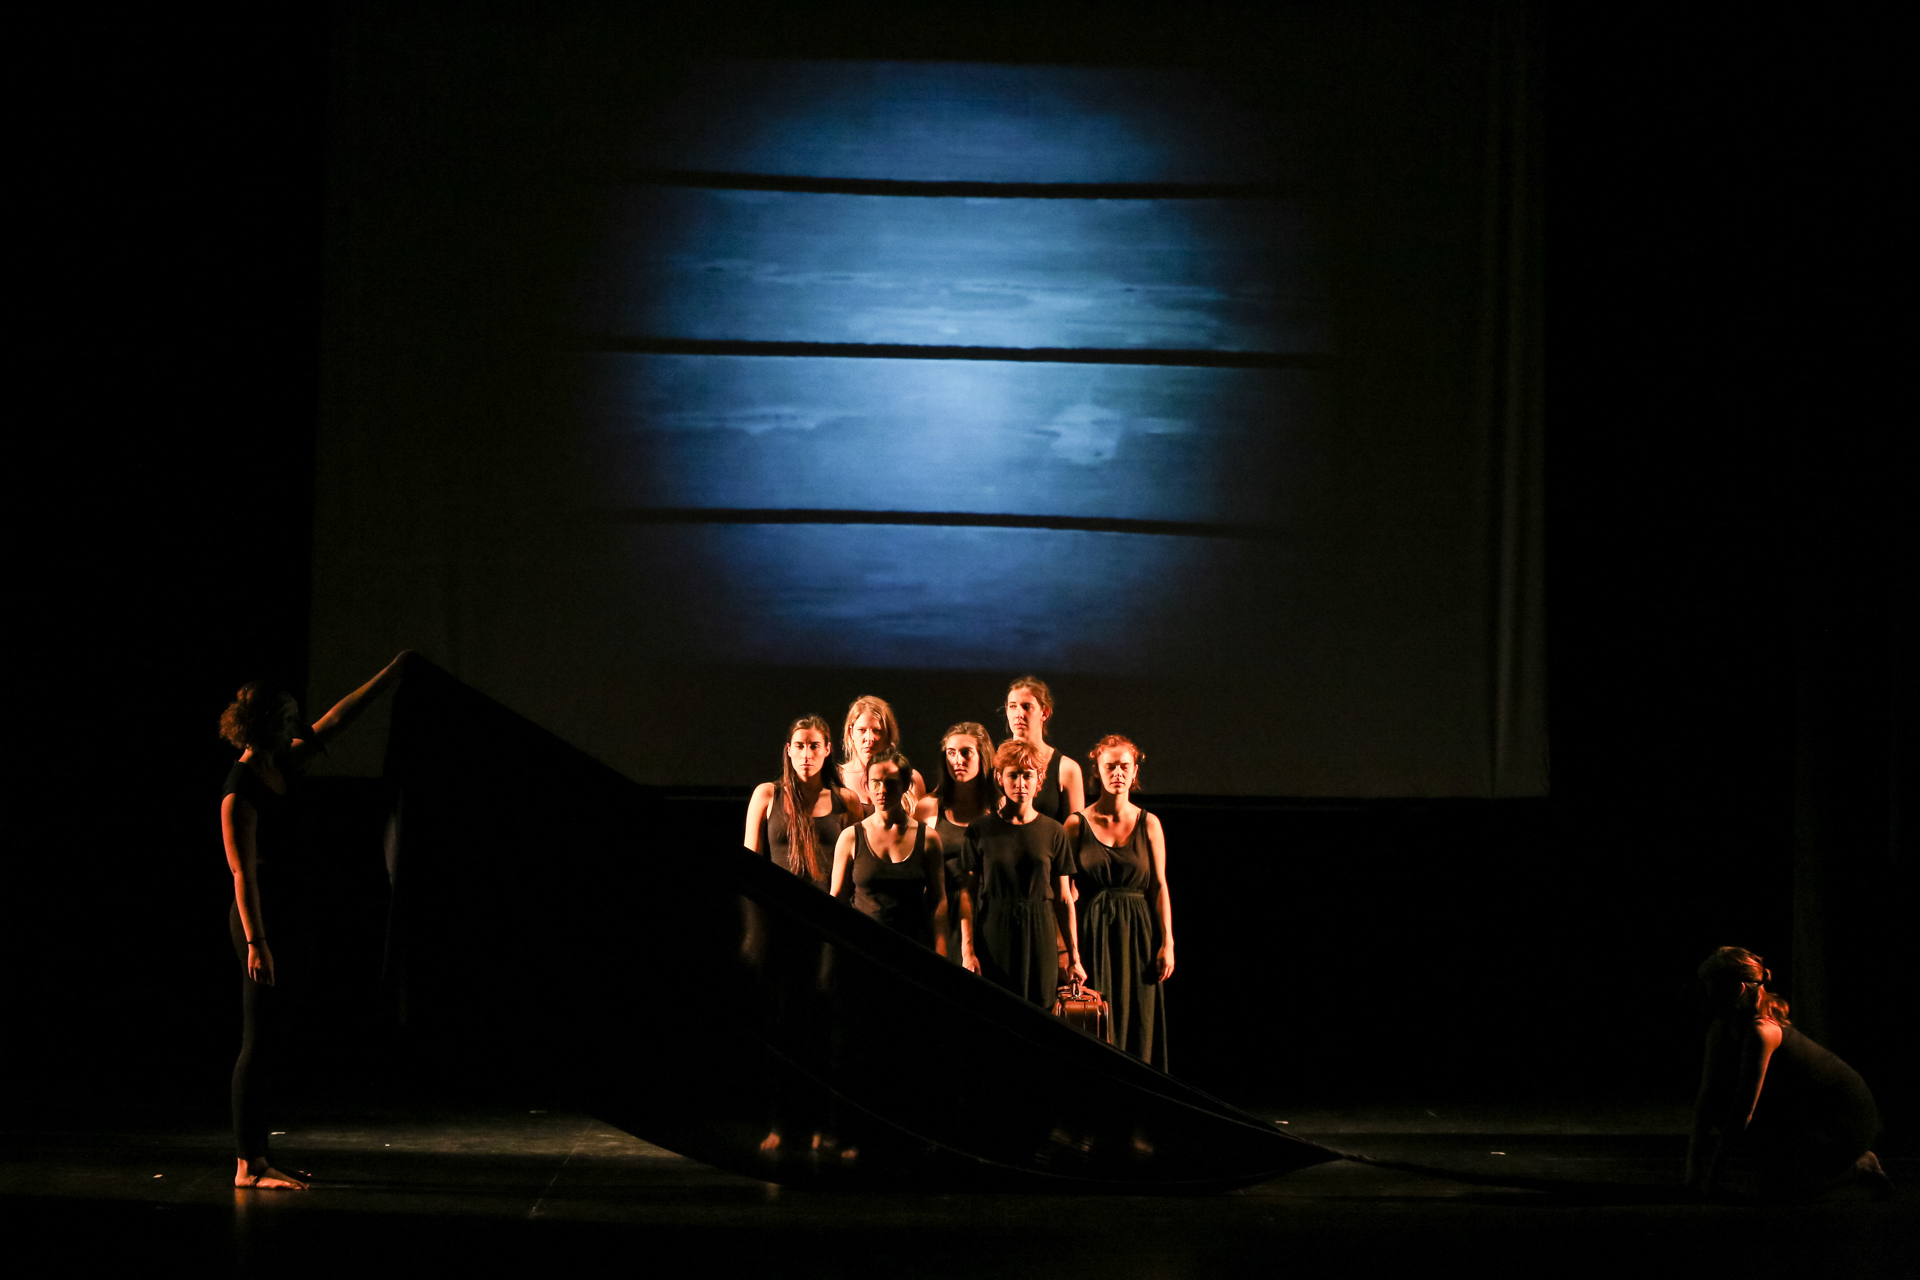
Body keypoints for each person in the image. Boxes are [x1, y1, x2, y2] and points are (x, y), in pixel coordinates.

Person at [219, 652, 409, 1190]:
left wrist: (390, 674)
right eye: (285, 720)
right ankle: (247, 1166)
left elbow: (336, 720)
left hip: (292, 914)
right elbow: (242, 874)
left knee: (274, 1040)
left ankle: (260, 1155)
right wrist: (257, 942)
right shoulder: (239, 791)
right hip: (259, 921)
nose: (296, 727)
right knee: (257, 1042)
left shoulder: (284, 764)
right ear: (260, 726)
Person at [1685, 947, 1890, 1201]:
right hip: (1805, 1111)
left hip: (1845, 1117)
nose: (1701, 991)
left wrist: (1712, 1181)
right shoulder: (1720, 1027)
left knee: (1781, 1191)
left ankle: (1861, 1166)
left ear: (1738, 989)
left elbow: (1743, 1111)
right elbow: (1706, 1099)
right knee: (1720, 1110)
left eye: (1708, 984)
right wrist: (1693, 1175)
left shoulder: (1763, 1031)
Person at [1062, 735, 1172, 1068]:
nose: (1118, 773)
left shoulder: (1148, 823)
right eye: (1110, 766)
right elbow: (1063, 891)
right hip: (1093, 931)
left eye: (1125, 766)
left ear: (1135, 770)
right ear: (1097, 770)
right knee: (1097, 1018)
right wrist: (1069, 951)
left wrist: (1167, 942)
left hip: (1138, 934)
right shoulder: (1076, 824)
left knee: (1139, 1018)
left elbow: (1159, 886)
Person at [958, 739, 1083, 1006]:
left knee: (1041, 1008)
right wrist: (967, 950)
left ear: (1039, 780)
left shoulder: (1054, 831)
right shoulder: (979, 830)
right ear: (999, 778)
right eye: (1013, 775)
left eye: (1027, 775)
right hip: (994, 931)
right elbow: (967, 893)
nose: (1021, 783)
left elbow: (1063, 898)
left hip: (1040, 931)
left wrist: (1074, 957)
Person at [830, 750, 947, 953]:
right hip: (862, 949)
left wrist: (941, 951)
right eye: (875, 783)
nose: (882, 790)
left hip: (912, 949)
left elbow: (938, 900)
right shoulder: (851, 837)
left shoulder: (928, 839)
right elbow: (837, 898)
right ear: (867, 785)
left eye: (891, 783)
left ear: (905, 786)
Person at [744, 716, 862, 893]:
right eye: (799, 746)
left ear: (827, 749)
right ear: (789, 750)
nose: (806, 755)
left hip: (827, 903)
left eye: (814, 746)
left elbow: (856, 866)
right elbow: (750, 863)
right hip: (777, 901)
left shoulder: (847, 800)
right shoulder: (767, 795)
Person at [916, 722, 997, 962]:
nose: (957, 760)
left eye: (966, 752)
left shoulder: (998, 808)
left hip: (988, 912)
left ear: (983, 756)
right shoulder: (928, 807)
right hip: (941, 916)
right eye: (951, 753)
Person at [1003, 677, 1084, 824]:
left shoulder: (1066, 769)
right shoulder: (996, 765)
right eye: (1013, 706)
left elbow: (1074, 831)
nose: (1019, 714)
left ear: (1044, 712)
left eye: (1027, 706)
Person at [839, 695, 928, 815]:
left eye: (877, 731)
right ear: (851, 732)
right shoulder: (838, 779)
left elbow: (921, 825)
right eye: (862, 730)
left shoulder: (911, 779)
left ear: (888, 735)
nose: (869, 738)